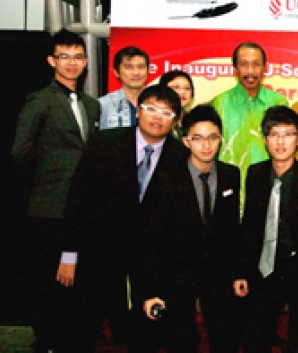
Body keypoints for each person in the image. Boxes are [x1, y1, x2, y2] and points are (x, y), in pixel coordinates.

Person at [57, 85, 188, 351]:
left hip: (149, 264)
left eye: (166, 112)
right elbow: (77, 199)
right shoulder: (105, 143)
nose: (156, 116)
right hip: (98, 254)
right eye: (150, 108)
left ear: (176, 120)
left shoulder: (182, 158)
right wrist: (69, 255)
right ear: (137, 111)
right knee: (82, 329)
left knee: (143, 335)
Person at [10, 28, 100, 352]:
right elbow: (20, 152)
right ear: (52, 61)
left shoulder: (92, 106)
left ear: (86, 60)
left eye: (78, 56)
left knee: (80, 287)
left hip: (85, 210)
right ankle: (47, 343)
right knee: (49, 286)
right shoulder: (39, 101)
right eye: (64, 56)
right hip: (49, 209)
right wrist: (42, 187)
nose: (72, 63)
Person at [131, 104, 242, 352]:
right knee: (181, 342)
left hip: (218, 275)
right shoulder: (165, 178)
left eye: (212, 137)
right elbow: (151, 237)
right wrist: (150, 289)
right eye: (198, 138)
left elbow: (232, 231)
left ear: (220, 139)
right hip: (176, 275)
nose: (206, 145)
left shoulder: (230, 175)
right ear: (185, 141)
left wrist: (237, 273)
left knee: (226, 339)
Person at [232, 105, 298, 352]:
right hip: (263, 271)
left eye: (288, 134)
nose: (281, 142)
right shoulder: (255, 174)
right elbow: (249, 227)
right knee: (255, 337)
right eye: (274, 134)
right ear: (265, 139)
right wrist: (241, 272)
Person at [211, 42, 289, 209]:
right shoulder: (220, 103)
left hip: (269, 190)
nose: (250, 71)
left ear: (264, 68)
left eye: (256, 64)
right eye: (244, 64)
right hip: (229, 190)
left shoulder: (278, 102)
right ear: (235, 69)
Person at [99, 46, 150, 129]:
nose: (136, 72)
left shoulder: (159, 103)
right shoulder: (103, 105)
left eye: (141, 67)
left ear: (148, 71)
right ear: (116, 72)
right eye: (129, 67)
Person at [158, 70, 195, 138]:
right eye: (176, 87)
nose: (182, 92)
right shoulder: (155, 119)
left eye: (187, 88)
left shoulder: (195, 120)